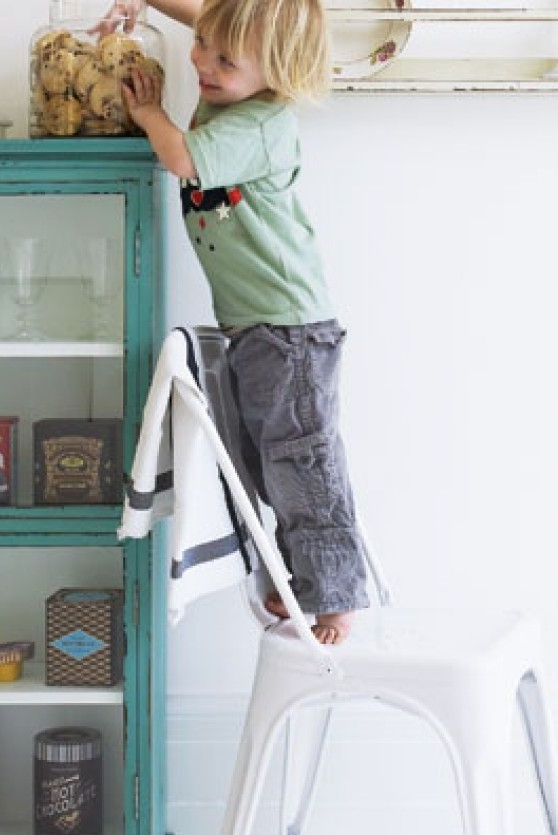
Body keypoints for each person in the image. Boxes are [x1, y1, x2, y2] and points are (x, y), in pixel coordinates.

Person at [118, 0, 368, 644]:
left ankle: (335, 597)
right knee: (269, 465)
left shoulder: (258, 123)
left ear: (276, 69)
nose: (200, 59)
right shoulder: (230, 89)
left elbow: (179, 158)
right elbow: (212, 14)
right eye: (201, 43)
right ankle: (305, 582)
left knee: (302, 464)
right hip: (259, 329)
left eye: (223, 57)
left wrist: (149, 113)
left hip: (290, 331)